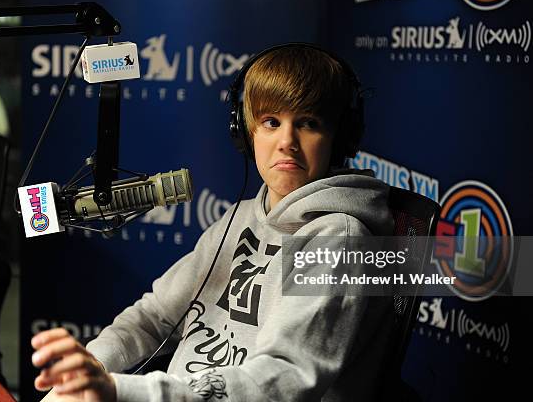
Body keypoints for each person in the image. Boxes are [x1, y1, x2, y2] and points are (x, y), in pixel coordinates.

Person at [31, 43, 395, 402]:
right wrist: (90, 368)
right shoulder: (240, 219)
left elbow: (278, 383)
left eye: (308, 123)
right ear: (245, 131)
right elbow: (155, 314)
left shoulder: (337, 239)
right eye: (271, 122)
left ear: (340, 138)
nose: (287, 141)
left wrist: (118, 390)